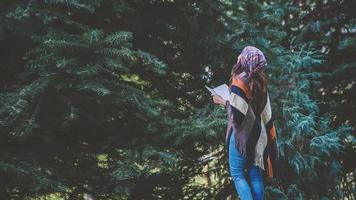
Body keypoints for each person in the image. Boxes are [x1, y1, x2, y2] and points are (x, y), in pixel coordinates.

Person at [212, 46, 279, 200]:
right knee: (255, 176)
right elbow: (266, 114)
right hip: (259, 136)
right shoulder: (262, 82)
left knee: (237, 175)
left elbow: (238, 113)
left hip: (242, 135)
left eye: (241, 55)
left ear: (244, 60)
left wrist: (223, 102)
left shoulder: (238, 82)